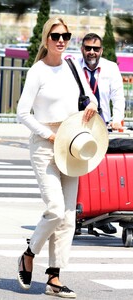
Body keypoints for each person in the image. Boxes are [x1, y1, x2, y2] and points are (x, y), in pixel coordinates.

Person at [16, 17, 98, 298]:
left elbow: (90, 97)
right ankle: (29, 253)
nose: (61, 40)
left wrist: (93, 107)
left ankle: (54, 278)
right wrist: (49, 135)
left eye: (65, 35)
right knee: (54, 208)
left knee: (67, 218)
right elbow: (22, 113)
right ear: (46, 39)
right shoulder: (37, 71)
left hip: (72, 143)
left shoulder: (73, 66)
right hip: (44, 144)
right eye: (55, 36)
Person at [77, 32, 125, 235]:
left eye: (95, 49)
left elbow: (118, 97)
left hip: (103, 126)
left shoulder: (111, 68)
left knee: (103, 170)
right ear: (82, 49)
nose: (91, 52)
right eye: (88, 48)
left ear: (101, 50)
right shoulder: (74, 67)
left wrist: (118, 119)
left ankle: (101, 213)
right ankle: (78, 214)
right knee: (79, 168)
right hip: (79, 126)